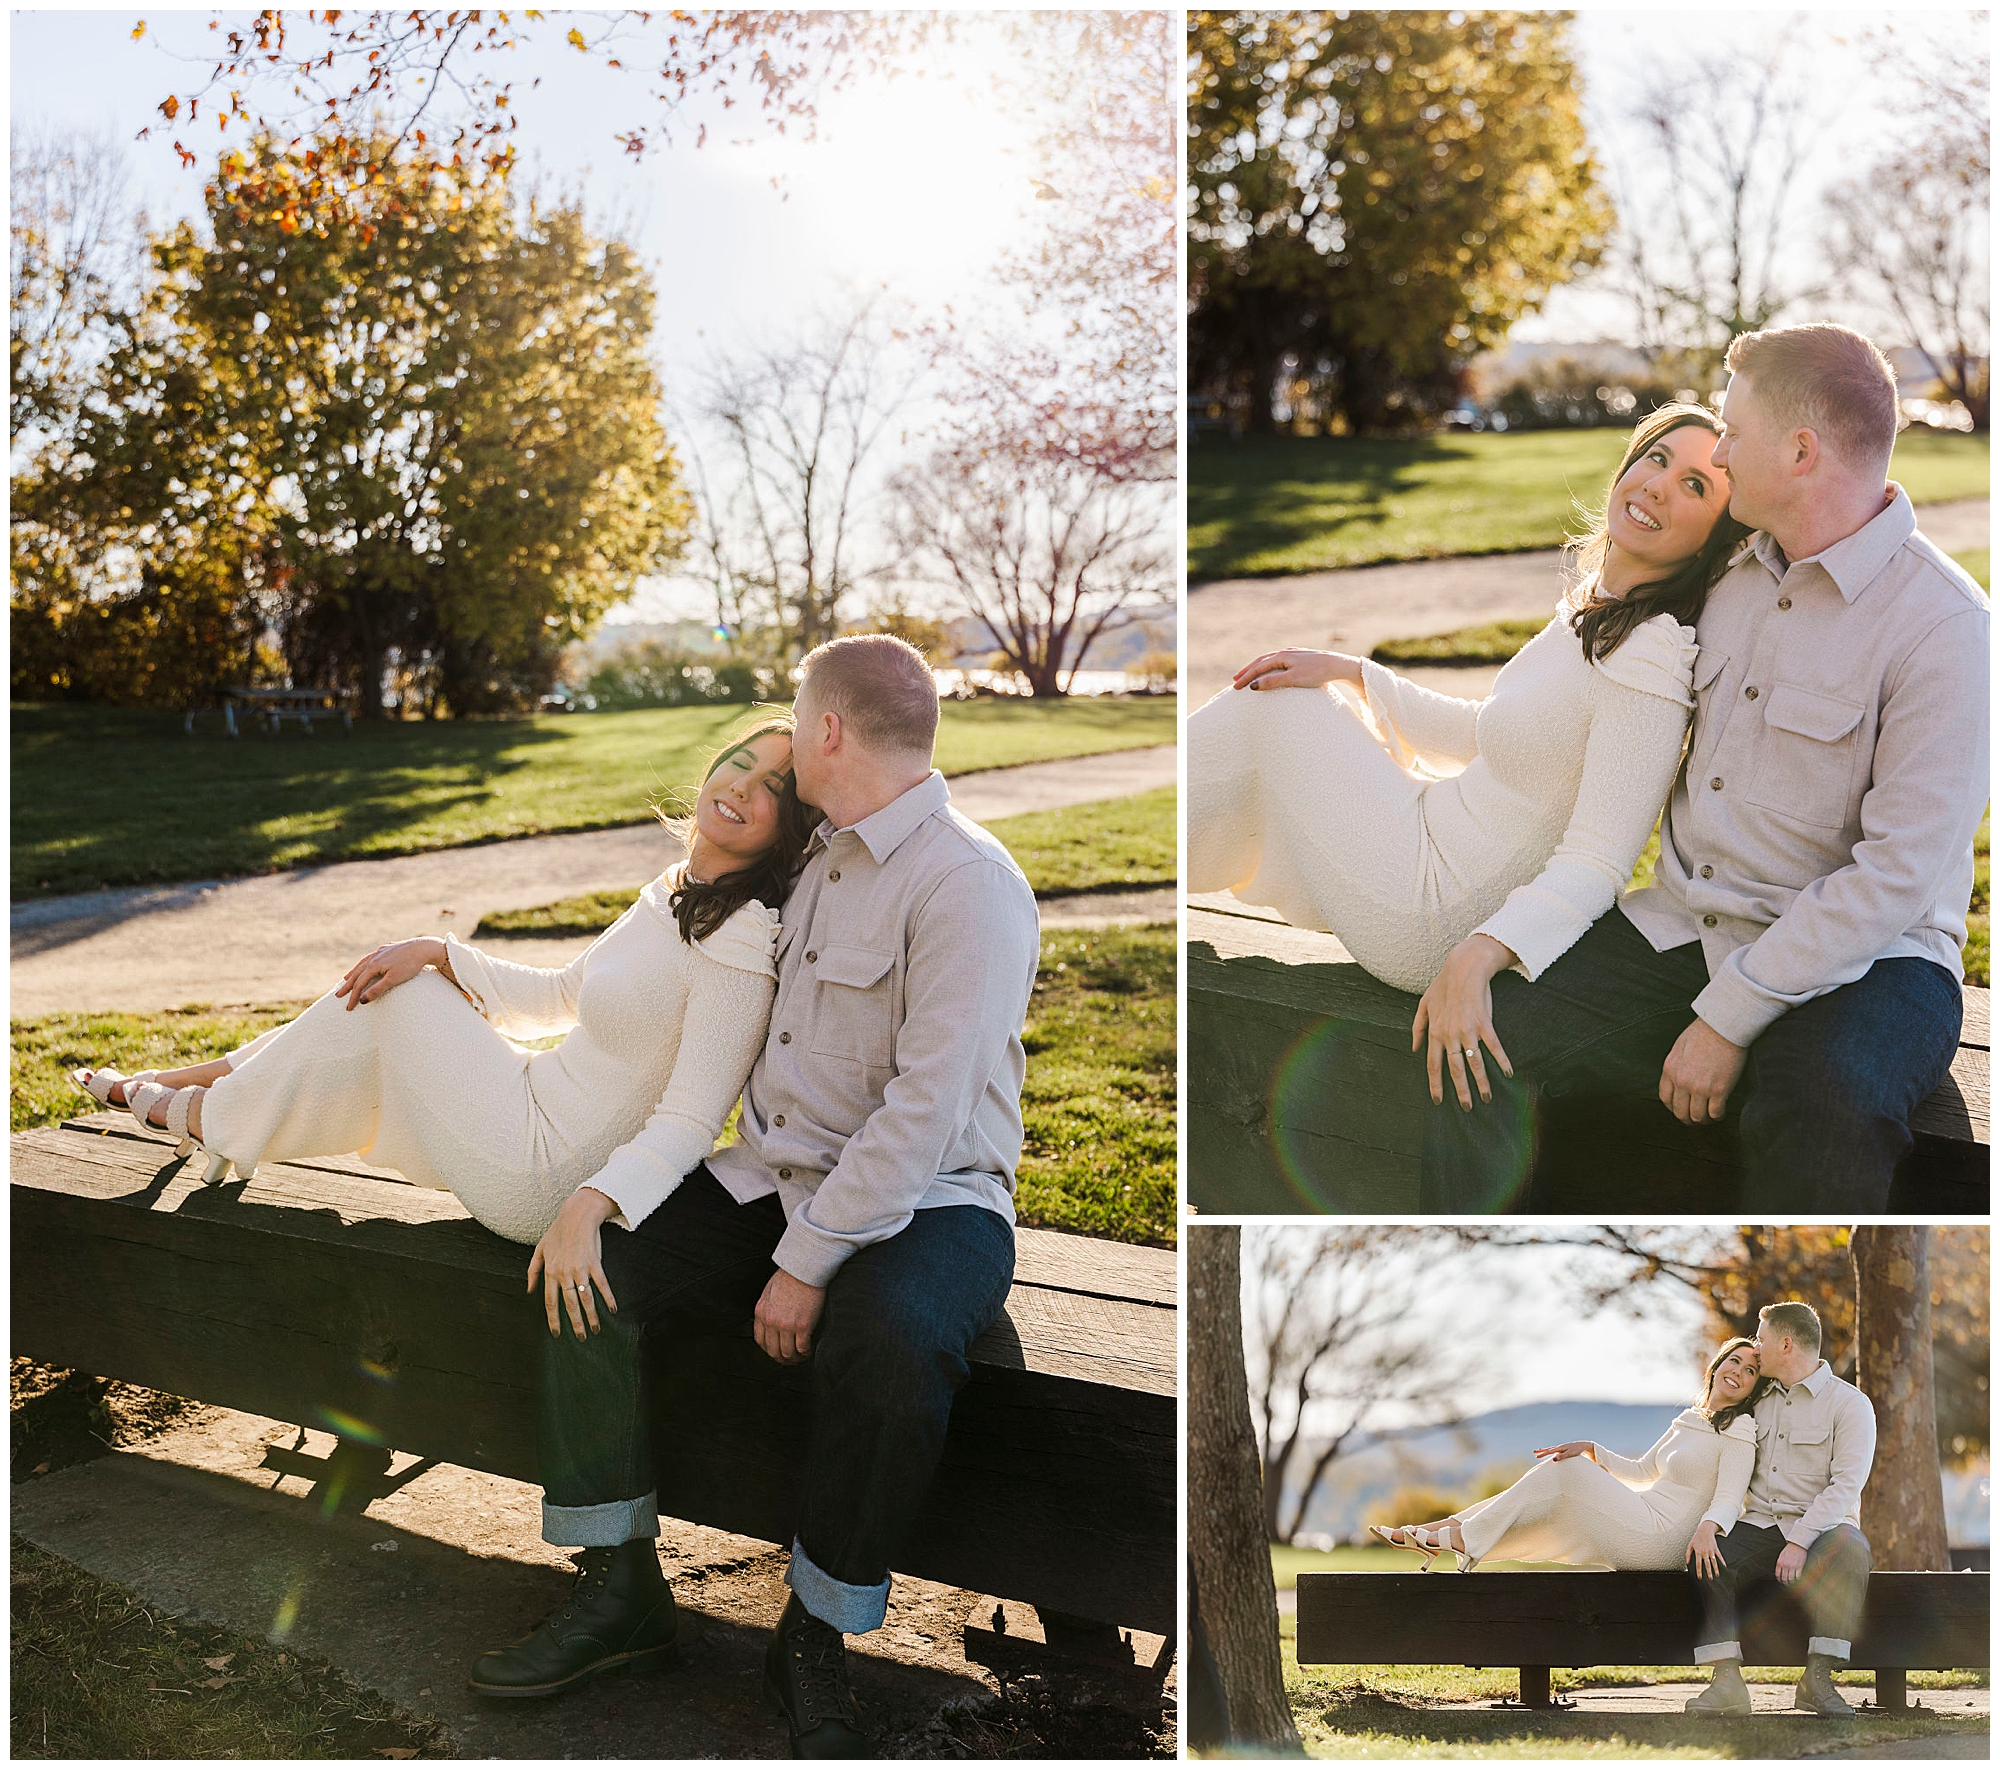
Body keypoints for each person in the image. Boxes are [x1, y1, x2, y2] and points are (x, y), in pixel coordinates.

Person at [466, 634, 1042, 1759]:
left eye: (792, 717)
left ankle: (815, 1635)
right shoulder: (814, 852)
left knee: (894, 1341)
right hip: (769, 1173)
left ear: (827, 730)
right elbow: (670, 932)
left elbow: (922, 1119)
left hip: (934, 1201)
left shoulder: (970, 884)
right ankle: (619, 1591)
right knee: (591, 1278)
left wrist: (803, 1264)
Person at [1423, 324, 1989, 1211]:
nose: (1718, 451)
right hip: (1685, 924)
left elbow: (1896, 876)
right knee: (1484, 1049)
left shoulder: (1946, 627)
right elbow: (1589, 682)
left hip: (1877, 961)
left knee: (1820, 1108)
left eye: (1732, 433)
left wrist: (1728, 1016)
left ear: (1799, 452)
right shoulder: (1725, 579)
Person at [1187, 403, 1748, 1117]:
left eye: (1698, 486)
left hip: (1437, 911)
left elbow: (1600, 863)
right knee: (1287, 692)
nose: (1660, 485)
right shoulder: (1601, 612)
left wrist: (1482, 952)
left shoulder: (1650, 656)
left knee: (1272, 709)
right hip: (1432, 840)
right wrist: (1356, 673)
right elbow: (1493, 732)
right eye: (1658, 458)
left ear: (1713, 543)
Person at [69, 717, 813, 1248]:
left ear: (787, 829)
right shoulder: (674, 890)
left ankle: (199, 1109)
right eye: (741, 761)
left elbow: (690, 1121)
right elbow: (559, 997)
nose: (743, 786)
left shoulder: (741, 946)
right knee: (391, 987)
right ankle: (195, 1099)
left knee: (396, 995)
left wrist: (593, 1206)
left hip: (549, 1175)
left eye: (774, 786)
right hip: (529, 1107)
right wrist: (438, 950)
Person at [1371, 1337, 1765, 1574]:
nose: (1740, 1372)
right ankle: (1448, 1530)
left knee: (1568, 1471)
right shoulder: (1689, 1420)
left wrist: (1708, 1529)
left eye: (1751, 1371)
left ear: (1751, 1389)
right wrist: (1594, 1449)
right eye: (1735, 1360)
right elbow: (1644, 1471)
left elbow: (1730, 1498)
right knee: (1565, 1470)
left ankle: (1456, 1537)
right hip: (1644, 1516)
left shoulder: (1740, 1429)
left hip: (1664, 1540)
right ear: (1717, 1366)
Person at [1684, 1302, 1875, 1719]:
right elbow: (1709, 1443)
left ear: (1785, 1344)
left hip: (1823, 1531)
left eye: (1762, 1338)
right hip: (1761, 1525)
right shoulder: (1758, 1400)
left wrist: (1801, 1539)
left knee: (1851, 1549)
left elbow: (1846, 1486)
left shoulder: (1850, 1405)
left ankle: (1817, 1681)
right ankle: (1727, 1683)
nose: (1756, 1345)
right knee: (1711, 1556)